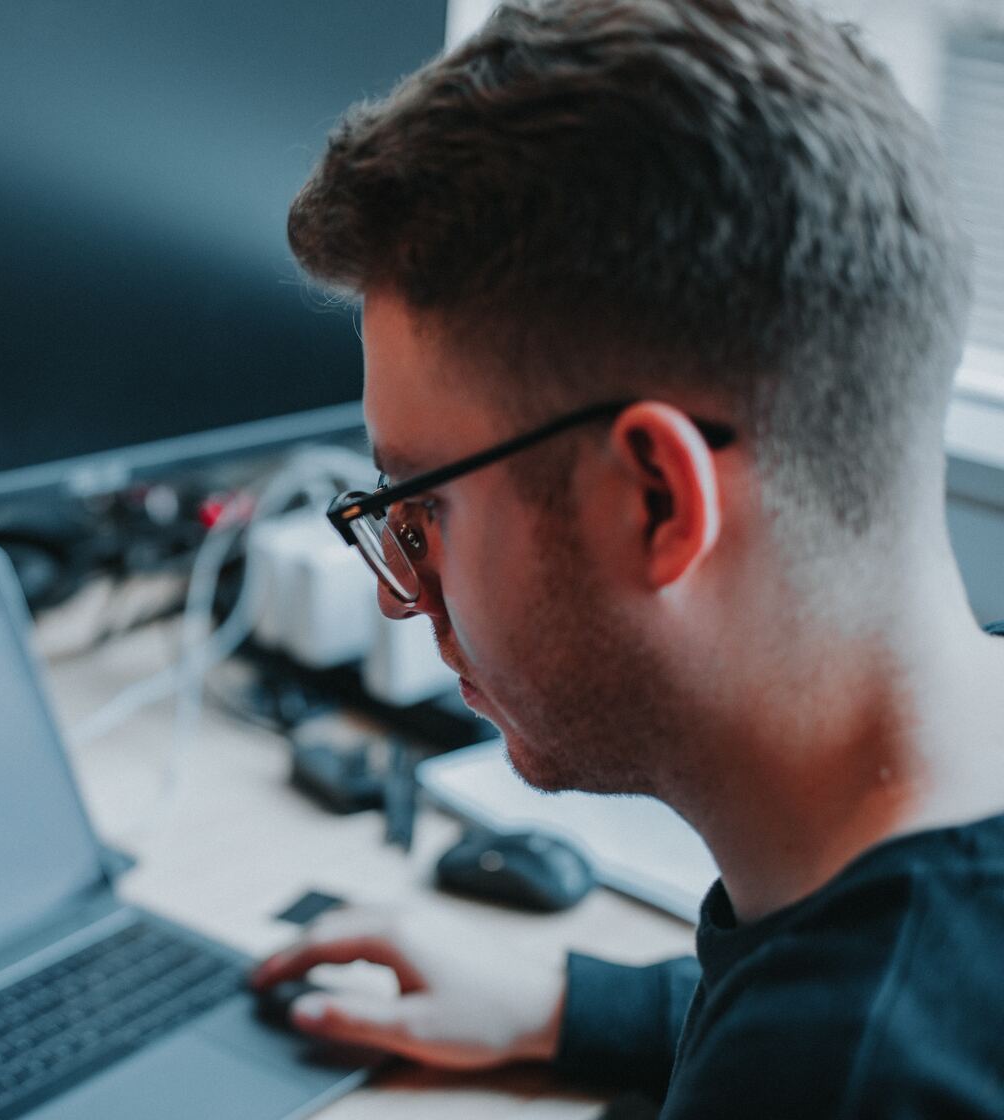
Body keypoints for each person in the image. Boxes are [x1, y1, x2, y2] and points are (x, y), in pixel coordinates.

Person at [248, 0, 1004, 1114]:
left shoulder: (840, 1075)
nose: (406, 598)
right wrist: (567, 1002)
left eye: (422, 511)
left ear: (655, 501)